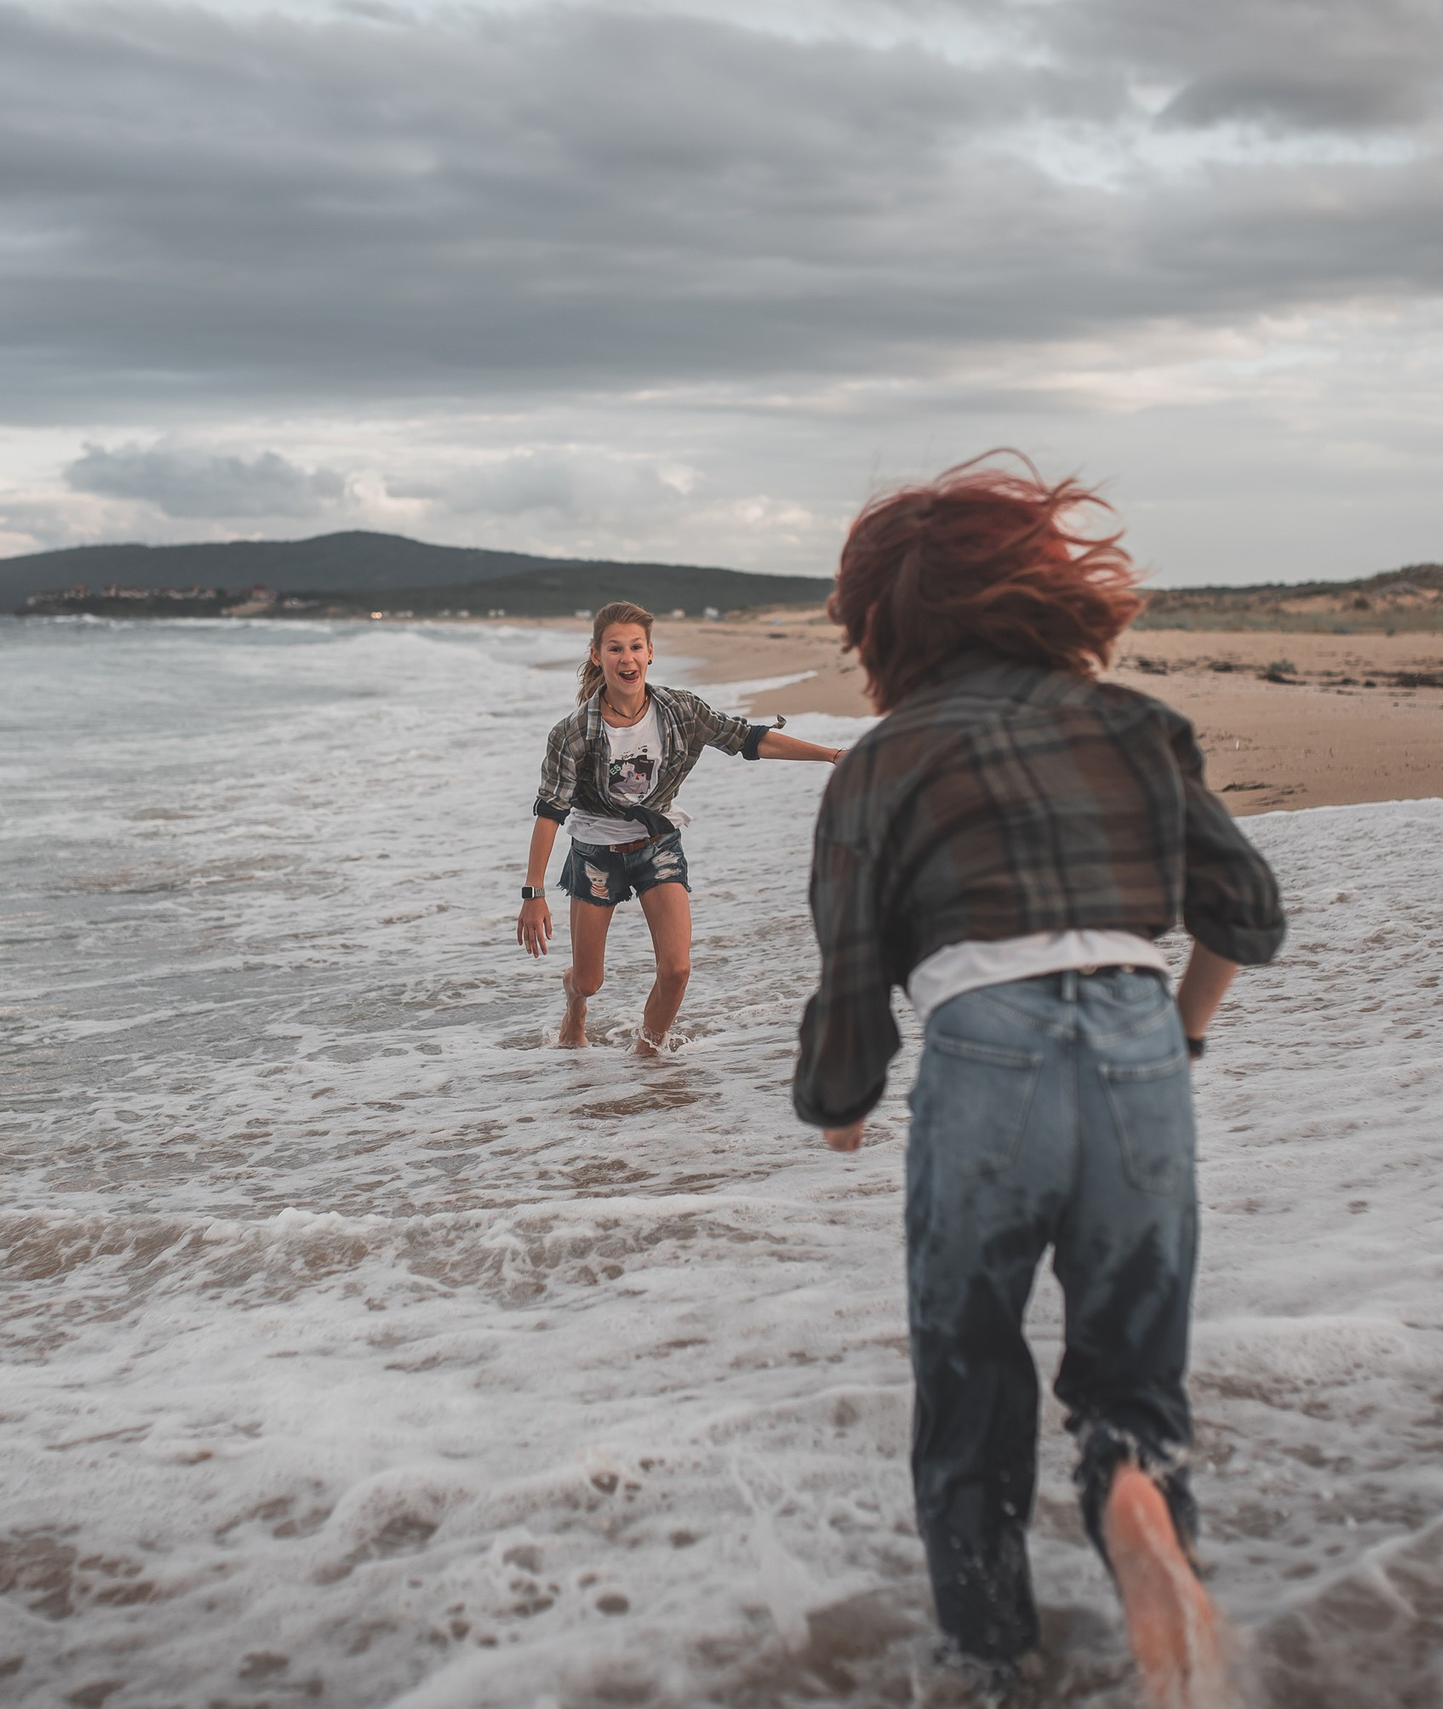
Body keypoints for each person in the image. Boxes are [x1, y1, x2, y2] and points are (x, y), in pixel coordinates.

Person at [792, 459, 1285, 1704]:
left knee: (968, 1378)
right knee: (1132, 1377)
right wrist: (1175, 1038)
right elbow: (1248, 912)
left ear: (881, 624)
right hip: (1133, 1037)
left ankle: (992, 1660)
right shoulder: (1133, 725)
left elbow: (850, 978)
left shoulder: (878, 760)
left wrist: (841, 1103)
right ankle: (1135, 1502)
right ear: (1034, 591)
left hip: (986, 1046)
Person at [518, 601, 844, 1053]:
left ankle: (648, 1053)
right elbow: (550, 810)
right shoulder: (573, 733)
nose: (626, 658)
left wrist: (832, 755)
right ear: (597, 655)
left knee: (677, 970)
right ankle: (575, 1006)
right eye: (615, 649)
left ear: (650, 653)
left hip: (658, 845)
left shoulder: (680, 711)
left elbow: (747, 739)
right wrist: (533, 894)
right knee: (589, 980)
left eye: (635, 647)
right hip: (595, 854)